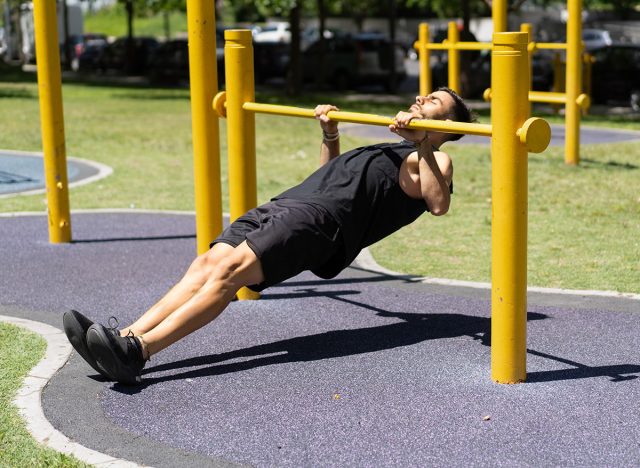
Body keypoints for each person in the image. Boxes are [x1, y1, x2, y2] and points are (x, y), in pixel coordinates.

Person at [63, 87, 475, 385]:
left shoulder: (435, 158)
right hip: (291, 203)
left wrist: (422, 143)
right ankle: (127, 337)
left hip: (320, 224)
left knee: (231, 275)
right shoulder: (390, 147)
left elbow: (437, 204)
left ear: (447, 123)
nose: (421, 98)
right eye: (424, 95)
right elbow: (325, 175)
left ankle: (140, 352)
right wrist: (330, 135)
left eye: (433, 100)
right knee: (208, 263)